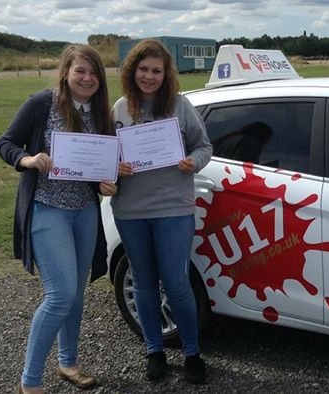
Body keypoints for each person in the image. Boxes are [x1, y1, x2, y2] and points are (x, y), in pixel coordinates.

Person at [0, 45, 116, 394]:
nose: (87, 78)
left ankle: (68, 362)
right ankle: (29, 383)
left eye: (93, 73)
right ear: (66, 72)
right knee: (60, 294)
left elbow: (93, 167)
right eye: (80, 71)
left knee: (77, 293)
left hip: (84, 211)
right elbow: (5, 143)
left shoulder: (100, 112)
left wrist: (106, 183)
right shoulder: (40, 104)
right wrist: (29, 159)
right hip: (47, 208)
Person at [111, 39, 213, 384]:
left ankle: (191, 352)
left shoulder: (180, 106)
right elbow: (106, 157)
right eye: (143, 69)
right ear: (132, 71)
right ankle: (153, 350)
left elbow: (204, 145)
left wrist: (192, 162)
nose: (149, 76)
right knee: (143, 282)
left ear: (166, 74)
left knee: (176, 282)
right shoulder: (120, 109)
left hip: (173, 207)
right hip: (130, 209)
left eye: (156, 70)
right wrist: (115, 168)